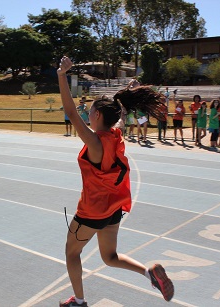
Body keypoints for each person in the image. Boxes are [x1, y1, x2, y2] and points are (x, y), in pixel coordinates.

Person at [57, 56, 174, 307]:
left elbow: (69, 112)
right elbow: (120, 114)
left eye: (89, 112)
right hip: (114, 208)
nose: (86, 115)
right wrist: (127, 94)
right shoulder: (116, 134)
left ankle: (78, 301)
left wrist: (61, 75)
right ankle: (148, 272)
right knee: (109, 256)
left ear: (97, 115)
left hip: (93, 209)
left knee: (71, 252)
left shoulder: (96, 143)